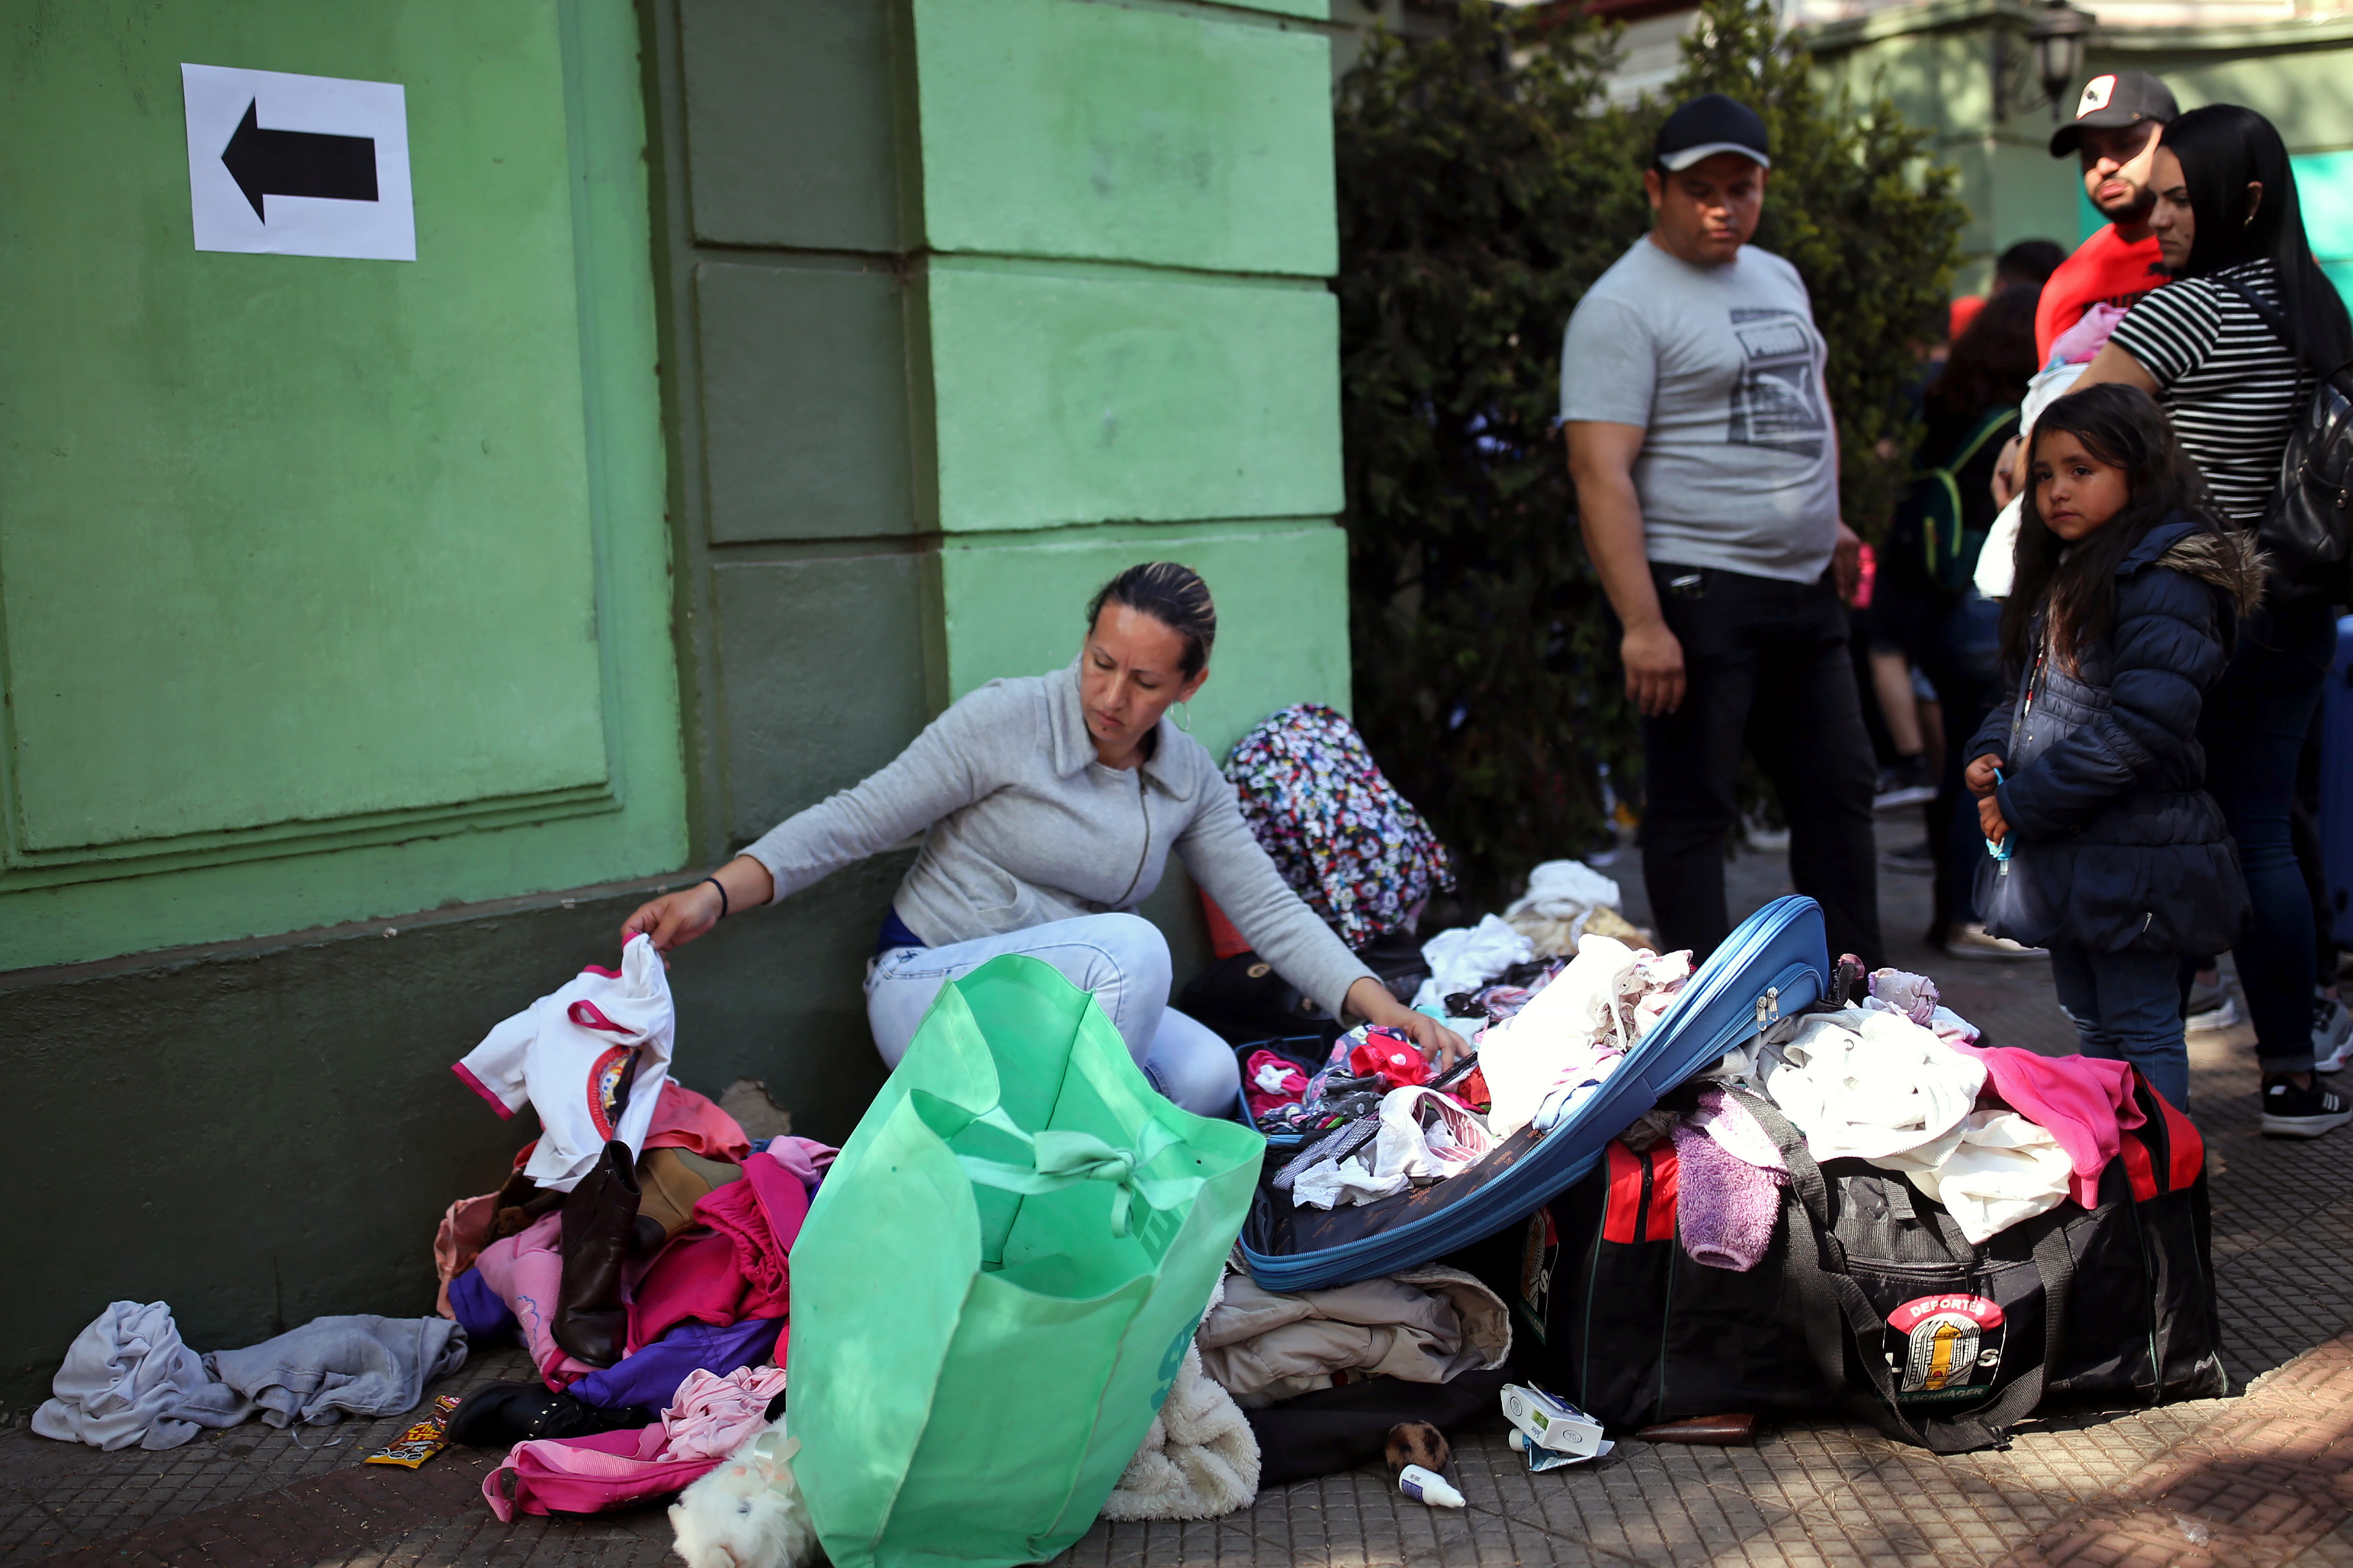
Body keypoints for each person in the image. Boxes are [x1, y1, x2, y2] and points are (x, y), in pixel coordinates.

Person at [618, 563, 1467, 1116]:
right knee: (1135, 950)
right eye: (1099, 660)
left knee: (1209, 1077)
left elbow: (1269, 909)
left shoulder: (1186, 779)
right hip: (931, 987)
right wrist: (715, 892)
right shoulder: (1007, 719)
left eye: (1143, 680)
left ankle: (1076, 1176)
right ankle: (1062, 1186)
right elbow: (857, 816)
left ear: (1189, 683)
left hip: (1064, 1011)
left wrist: (1382, 1007)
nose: (1108, 694)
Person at [2072, 103, 2353, 1130]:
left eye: (2182, 198)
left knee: (2165, 828)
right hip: (2297, 602)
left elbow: (2080, 430)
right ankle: (2293, 1072)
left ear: (2242, 199)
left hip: (2191, 605)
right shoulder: (2314, 306)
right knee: (2265, 832)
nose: (2159, 216)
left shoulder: (2185, 310)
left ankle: (2139, 1069)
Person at [1563, 93, 1881, 968]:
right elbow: (1600, 472)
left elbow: (1802, 402)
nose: (1723, 206)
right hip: (1698, 590)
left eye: (1741, 188)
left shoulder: (1776, 275)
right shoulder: (1621, 305)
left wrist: (1832, 516)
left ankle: (1857, 1000)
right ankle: (1702, 1011)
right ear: (1653, 189)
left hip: (1806, 584)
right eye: (1701, 188)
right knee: (1694, 807)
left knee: (1840, 790)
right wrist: (1641, 620)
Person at [1965, 384, 2260, 1113]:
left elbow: (2143, 724)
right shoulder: (2073, 570)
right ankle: (2121, 1171)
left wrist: (2020, 804)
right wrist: (1993, 748)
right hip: (2075, 843)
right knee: (2092, 1020)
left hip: (2137, 847)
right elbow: (2034, 693)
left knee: (2142, 1023)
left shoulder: (2164, 577)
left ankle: (2160, 1182)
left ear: (2139, 471)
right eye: (2043, 474)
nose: (2056, 490)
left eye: (2081, 470)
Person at [1872, 286, 2044, 959]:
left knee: (1960, 769)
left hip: (1938, 607)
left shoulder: (1942, 405)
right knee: (1989, 768)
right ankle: (1973, 917)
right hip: (1987, 606)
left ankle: (1951, 914)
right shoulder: (2016, 427)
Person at [2035, 72, 2180, 364]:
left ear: (2175, 143)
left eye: (2127, 144)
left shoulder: (2221, 250)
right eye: (2089, 153)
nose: (2104, 165)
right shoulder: (2066, 285)